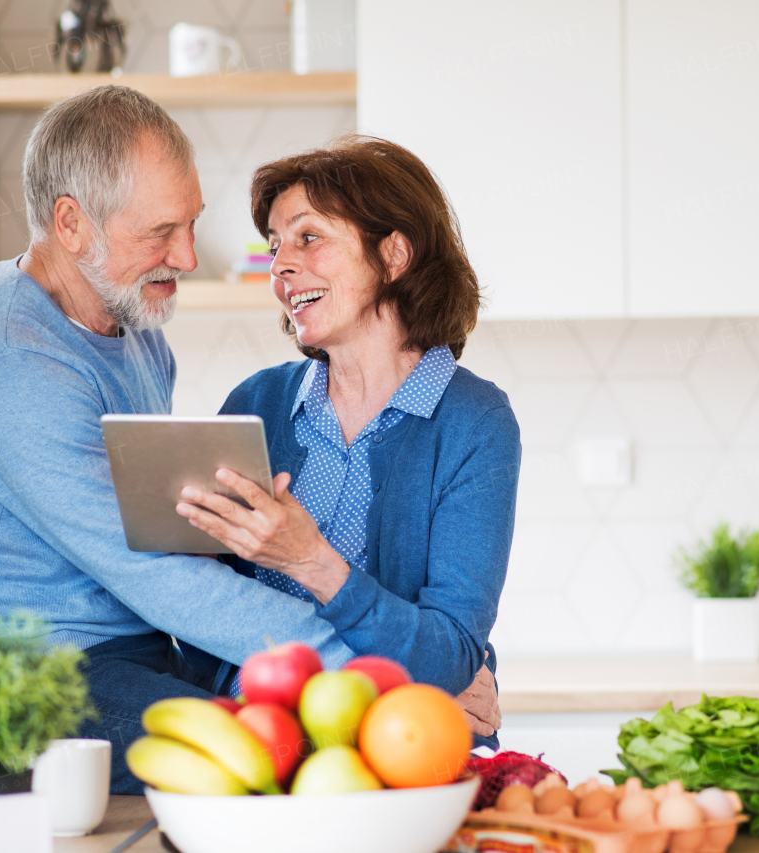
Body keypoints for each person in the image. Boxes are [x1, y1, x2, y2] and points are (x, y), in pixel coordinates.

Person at [0, 88, 497, 794]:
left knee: (313, 739)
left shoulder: (136, 332)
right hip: (18, 677)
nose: (184, 254)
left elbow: (174, 535)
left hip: (128, 656)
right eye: (160, 231)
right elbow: (155, 572)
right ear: (71, 224)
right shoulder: (8, 365)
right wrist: (390, 689)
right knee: (292, 750)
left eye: (191, 224)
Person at [173, 137, 521, 747]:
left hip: (405, 749)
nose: (280, 265)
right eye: (275, 245)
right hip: (261, 741)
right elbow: (202, 612)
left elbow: (449, 651)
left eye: (308, 238)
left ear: (394, 255)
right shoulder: (259, 405)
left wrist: (312, 561)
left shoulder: (474, 421)